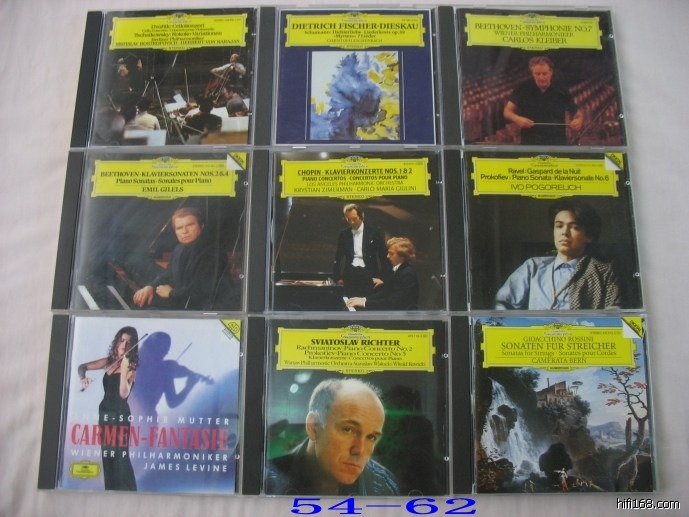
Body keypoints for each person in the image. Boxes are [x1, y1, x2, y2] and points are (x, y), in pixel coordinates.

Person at [265, 378, 399, 496]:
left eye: (371, 437)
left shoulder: (383, 484)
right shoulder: (267, 479)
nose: (359, 451)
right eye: (348, 430)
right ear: (314, 427)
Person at [494, 199, 622, 310]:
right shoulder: (533, 267)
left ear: (589, 236)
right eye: (559, 226)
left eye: (574, 227)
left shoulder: (604, 273)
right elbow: (501, 303)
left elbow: (614, 312)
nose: (564, 232)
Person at [78, 326, 140, 491]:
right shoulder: (108, 361)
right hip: (105, 412)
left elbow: (123, 394)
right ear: (117, 342)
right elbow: (82, 367)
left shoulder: (131, 367)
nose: (124, 345)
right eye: (122, 340)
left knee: (120, 455)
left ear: (133, 345)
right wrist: (83, 378)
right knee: (108, 453)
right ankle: (111, 490)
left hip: (120, 414)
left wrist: (125, 370)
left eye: (128, 342)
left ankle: (128, 492)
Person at [132, 207, 230, 310]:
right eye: (179, 228)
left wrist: (171, 293)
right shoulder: (179, 249)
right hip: (183, 305)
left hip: (204, 311)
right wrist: (151, 287)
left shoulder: (212, 252)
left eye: (190, 225)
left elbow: (201, 292)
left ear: (201, 226)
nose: (185, 231)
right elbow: (167, 275)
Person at [503, 56, 584, 145]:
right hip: (530, 142)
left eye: (544, 74)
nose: (541, 78)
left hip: (556, 143)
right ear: (532, 73)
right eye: (537, 74)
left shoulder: (561, 89)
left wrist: (579, 120)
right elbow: (507, 111)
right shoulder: (522, 88)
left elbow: (577, 112)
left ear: (551, 72)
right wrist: (517, 119)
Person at [333, 204, 390, 297]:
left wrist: (383, 278)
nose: (351, 222)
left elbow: (384, 256)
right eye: (348, 219)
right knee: (350, 301)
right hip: (350, 274)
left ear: (361, 217)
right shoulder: (344, 234)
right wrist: (338, 277)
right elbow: (338, 257)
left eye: (354, 219)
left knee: (368, 301)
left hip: (370, 274)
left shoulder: (374, 232)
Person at [346, 237, 419, 310]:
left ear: (402, 256)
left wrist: (364, 303)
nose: (388, 256)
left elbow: (393, 302)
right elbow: (385, 293)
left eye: (391, 253)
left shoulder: (407, 274)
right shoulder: (398, 270)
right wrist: (364, 299)